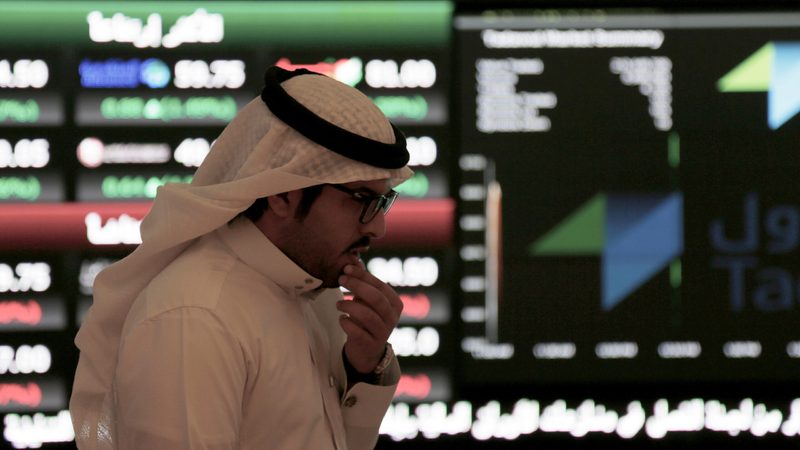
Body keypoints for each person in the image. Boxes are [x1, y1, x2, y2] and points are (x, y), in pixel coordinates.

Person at [70, 66, 414, 450]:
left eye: (383, 201)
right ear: (282, 194)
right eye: (363, 201)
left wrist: (363, 369)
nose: (378, 227)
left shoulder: (313, 294)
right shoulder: (196, 316)